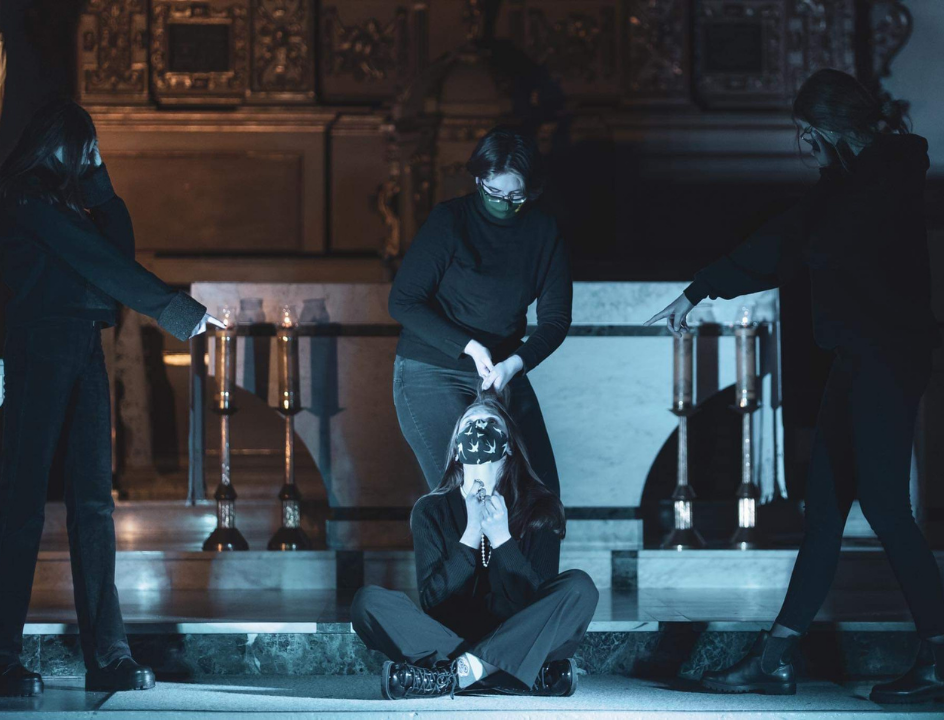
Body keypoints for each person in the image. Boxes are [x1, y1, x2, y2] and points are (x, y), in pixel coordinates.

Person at [646, 69, 944, 702]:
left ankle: (939, 657)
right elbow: (787, 238)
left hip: (887, 360)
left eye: (807, 131)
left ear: (828, 127)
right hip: (855, 360)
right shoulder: (844, 185)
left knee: (886, 509)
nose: (803, 143)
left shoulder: (889, 175)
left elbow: (818, 243)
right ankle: (776, 658)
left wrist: (791, 247)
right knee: (824, 513)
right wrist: (699, 290)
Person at [0, 99, 221, 697]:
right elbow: (95, 260)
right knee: (21, 504)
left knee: (94, 506)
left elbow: (116, 253)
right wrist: (177, 310)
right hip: (40, 346)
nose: (91, 156)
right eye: (84, 147)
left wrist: (102, 189)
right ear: (55, 143)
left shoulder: (70, 201)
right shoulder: (22, 196)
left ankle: (108, 655)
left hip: (85, 346)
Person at [351, 390, 598, 699]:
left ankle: (452, 676)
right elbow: (433, 602)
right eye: (469, 423)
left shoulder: (541, 507)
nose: (479, 428)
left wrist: (502, 540)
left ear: (508, 445)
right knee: (367, 603)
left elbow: (538, 602)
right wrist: (470, 535)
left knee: (580, 587)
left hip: (521, 634)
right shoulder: (431, 510)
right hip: (451, 637)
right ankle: (505, 675)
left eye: (490, 423)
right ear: (457, 449)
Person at [389, 126, 571, 499]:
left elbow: (555, 321)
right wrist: (470, 346)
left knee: (540, 497)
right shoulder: (450, 221)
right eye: (494, 193)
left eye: (515, 195)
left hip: (504, 372)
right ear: (477, 180)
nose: (504, 204)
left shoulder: (542, 231)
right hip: (432, 370)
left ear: (530, 188)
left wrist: (516, 364)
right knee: (465, 495)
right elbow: (403, 301)